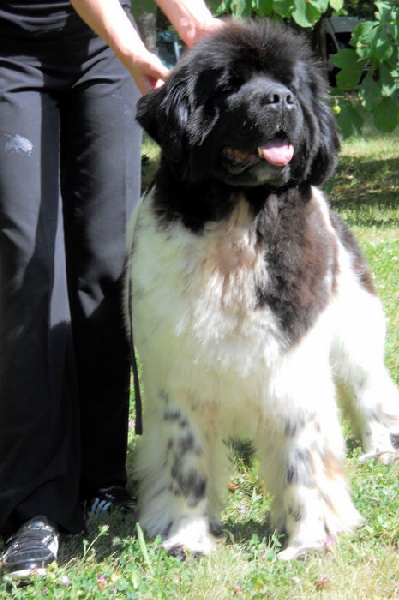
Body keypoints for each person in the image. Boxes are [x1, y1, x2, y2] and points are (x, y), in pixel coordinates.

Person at [0, 0, 222, 580]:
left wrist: (194, 20)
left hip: (98, 53)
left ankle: (102, 476)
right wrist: (132, 44)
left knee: (107, 261)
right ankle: (36, 502)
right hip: (10, 50)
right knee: (27, 263)